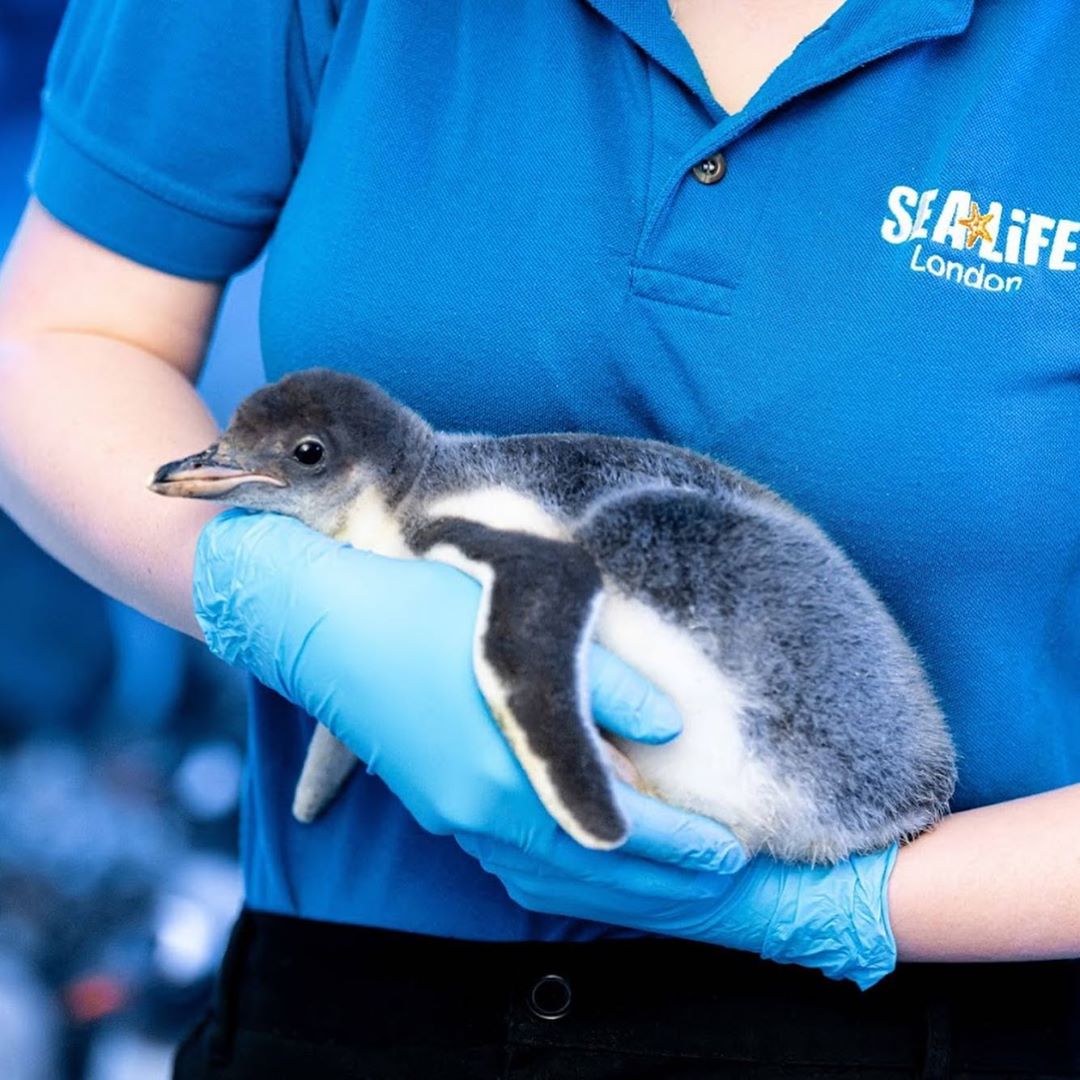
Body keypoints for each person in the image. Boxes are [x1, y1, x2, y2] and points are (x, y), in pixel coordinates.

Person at [1, 0, 1078, 1075]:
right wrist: (281, 601)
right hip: (352, 1009)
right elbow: (61, 336)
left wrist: (834, 908)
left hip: (926, 1021)